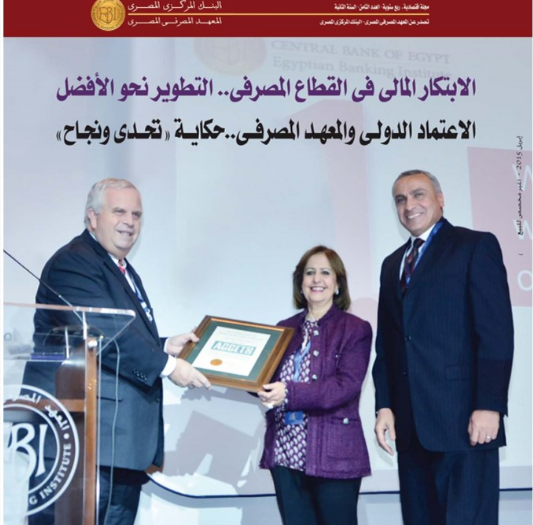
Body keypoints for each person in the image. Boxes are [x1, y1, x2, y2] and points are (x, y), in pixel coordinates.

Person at [32, 178, 211, 525]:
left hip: (115, 446)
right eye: (119, 212)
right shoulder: (74, 264)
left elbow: (115, 335)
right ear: (92, 217)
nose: (129, 222)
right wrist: (169, 366)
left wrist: (163, 345)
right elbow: (103, 334)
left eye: (136, 214)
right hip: (86, 443)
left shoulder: (119, 267)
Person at [372, 169, 514, 525]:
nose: (409, 205)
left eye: (418, 194)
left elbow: (495, 334)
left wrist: (489, 406)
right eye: (400, 199)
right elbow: (388, 344)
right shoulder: (392, 265)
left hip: (464, 423)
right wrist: (384, 405)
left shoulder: (474, 246)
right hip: (411, 429)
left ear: (440, 199)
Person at [258, 245, 372, 525]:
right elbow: (265, 378)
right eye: (309, 273)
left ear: (337, 283)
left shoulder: (355, 328)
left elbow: (345, 386)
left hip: (334, 455)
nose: (316, 279)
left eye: (325, 272)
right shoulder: (283, 328)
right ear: (300, 282)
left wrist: (289, 392)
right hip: (286, 452)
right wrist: (246, 379)